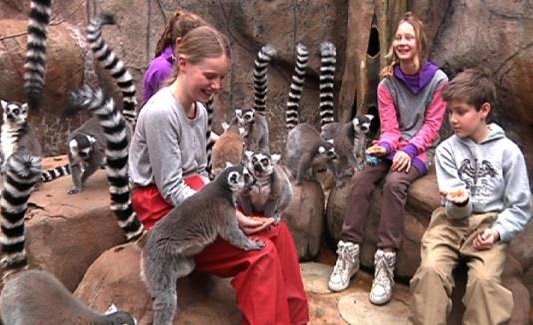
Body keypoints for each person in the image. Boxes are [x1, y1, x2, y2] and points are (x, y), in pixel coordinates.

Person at [129, 25, 309, 325]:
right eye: (210, 76)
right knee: (259, 255)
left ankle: (297, 320)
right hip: (162, 212)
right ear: (183, 63)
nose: (217, 85)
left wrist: (230, 208)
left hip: (194, 198)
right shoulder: (161, 112)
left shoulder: (198, 111)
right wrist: (227, 216)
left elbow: (199, 171)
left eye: (221, 77)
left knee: (277, 231)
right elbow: (171, 188)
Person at [328, 12, 448, 306]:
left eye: (408, 37)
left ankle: (386, 264)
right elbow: (391, 128)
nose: (402, 42)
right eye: (398, 38)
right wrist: (384, 146)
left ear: (419, 42)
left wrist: (409, 152)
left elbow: (432, 128)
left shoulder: (438, 80)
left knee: (395, 183)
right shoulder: (387, 83)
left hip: (421, 150)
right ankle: (348, 253)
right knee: (361, 178)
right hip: (393, 145)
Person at [409, 68, 532, 324]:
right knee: (430, 269)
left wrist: (499, 232)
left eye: (461, 112)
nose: (453, 119)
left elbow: (520, 207)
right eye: (450, 112)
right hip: (451, 222)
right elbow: (454, 206)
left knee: (485, 282)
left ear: (484, 110)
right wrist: (460, 203)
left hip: (488, 223)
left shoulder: (509, 152)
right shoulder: (446, 150)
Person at [142, 10, 207, 105]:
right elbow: (169, 107)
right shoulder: (163, 68)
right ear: (180, 43)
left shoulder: (181, 64)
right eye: (197, 45)